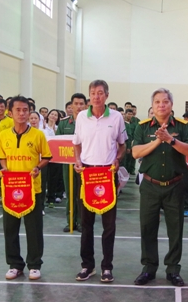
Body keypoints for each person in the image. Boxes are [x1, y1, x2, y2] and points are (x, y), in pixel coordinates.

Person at [132, 88, 188, 287]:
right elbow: (135, 153)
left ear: (171, 105)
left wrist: (171, 139)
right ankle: (149, 268)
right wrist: (159, 140)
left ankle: (173, 269)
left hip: (175, 185)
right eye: (157, 102)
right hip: (150, 185)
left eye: (165, 101)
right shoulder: (142, 127)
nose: (161, 105)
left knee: (175, 229)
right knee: (148, 228)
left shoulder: (183, 127)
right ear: (152, 105)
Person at [73, 80, 127, 283]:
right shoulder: (81, 117)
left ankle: (107, 267)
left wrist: (118, 158)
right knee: (86, 224)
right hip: (86, 175)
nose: (96, 96)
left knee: (109, 225)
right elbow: (76, 144)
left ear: (107, 95)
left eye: (100, 93)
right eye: (93, 93)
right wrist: (77, 160)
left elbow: (122, 146)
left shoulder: (116, 117)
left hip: (107, 175)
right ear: (89, 96)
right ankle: (87, 265)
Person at [0, 96, 52, 281]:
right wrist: (4, 167)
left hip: (32, 189)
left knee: (34, 228)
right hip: (10, 189)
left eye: (25, 110)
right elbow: (1, 156)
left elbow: (46, 156)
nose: (22, 113)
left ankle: (35, 264)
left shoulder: (38, 135)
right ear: (10, 112)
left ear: (29, 112)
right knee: (10, 228)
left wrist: (38, 167)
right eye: (18, 110)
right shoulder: (4, 134)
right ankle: (14, 264)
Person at [57, 93, 87, 232]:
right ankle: (71, 221)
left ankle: (82, 222)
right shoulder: (64, 123)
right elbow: (57, 143)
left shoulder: (89, 123)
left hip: (84, 164)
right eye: (76, 104)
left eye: (82, 104)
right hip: (67, 163)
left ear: (86, 105)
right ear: (71, 106)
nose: (79, 107)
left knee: (82, 194)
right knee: (70, 193)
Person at [43, 109, 62, 208]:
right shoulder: (42, 128)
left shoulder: (59, 128)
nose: (53, 116)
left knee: (53, 178)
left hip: (55, 157)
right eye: (52, 114)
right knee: (44, 178)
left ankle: (51, 198)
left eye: (56, 115)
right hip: (44, 156)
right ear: (48, 115)